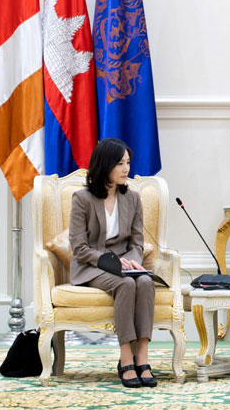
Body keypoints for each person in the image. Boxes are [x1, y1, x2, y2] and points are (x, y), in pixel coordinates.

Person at [69, 138, 157, 388]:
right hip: (92, 266)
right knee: (125, 285)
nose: (126, 168)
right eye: (120, 163)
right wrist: (112, 261)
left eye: (128, 162)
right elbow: (79, 247)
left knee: (145, 282)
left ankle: (143, 357)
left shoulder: (133, 198)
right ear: (105, 164)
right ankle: (125, 357)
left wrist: (131, 262)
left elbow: (137, 243)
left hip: (125, 264)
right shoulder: (82, 199)